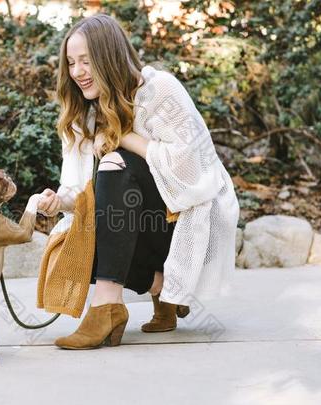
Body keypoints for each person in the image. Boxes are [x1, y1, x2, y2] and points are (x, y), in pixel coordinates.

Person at [37, 14, 240, 350]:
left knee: (116, 164)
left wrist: (122, 138)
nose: (77, 72)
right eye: (71, 63)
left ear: (110, 57)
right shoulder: (82, 113)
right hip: (134, 222)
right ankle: (159, 287)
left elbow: (192, 171)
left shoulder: (159, 89)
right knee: (78, 233)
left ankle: (106, 307)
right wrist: (60, 201)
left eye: (86, 61)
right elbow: (79, 191)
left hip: (189, 217)